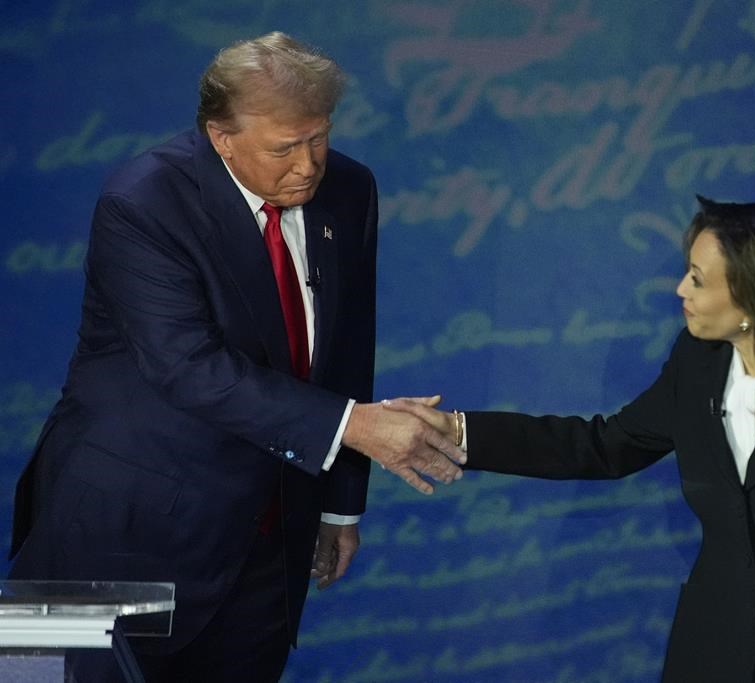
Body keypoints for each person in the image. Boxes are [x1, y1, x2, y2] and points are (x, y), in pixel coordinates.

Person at [7, 32, 464, 682]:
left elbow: (344, 349)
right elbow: (187, 365)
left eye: (319, 137)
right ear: (222, 137)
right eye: (285, 147)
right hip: (114, 532)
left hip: (266, 544)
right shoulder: (142, 202)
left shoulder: (350, 189)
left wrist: (338, 507)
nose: (308, 164)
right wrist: (356, 426)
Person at [388, 197, 755, 682]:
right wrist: (460, 429)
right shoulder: (698, 362)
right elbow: (605, 446)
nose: (680, 288)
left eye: (699, 279)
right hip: (713, 652)